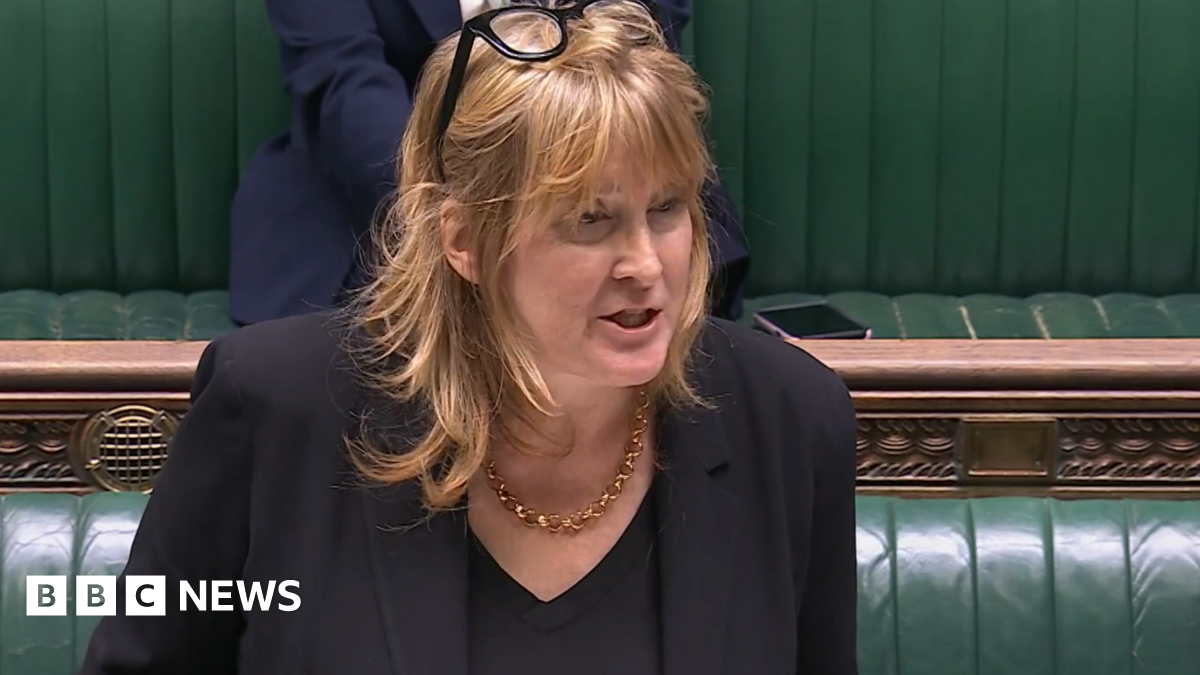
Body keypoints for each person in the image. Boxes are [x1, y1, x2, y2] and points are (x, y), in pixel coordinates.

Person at [79, 3, 857, 674]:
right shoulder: (273, 407)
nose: (648, 266)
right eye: (591, 220)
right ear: (464, 240)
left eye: (666, 210)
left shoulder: (791, 417)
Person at [228, 0, 750, 327]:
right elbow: (342, 79)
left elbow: (637, 59)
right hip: (377, 210)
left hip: (609, 191)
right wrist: (468, 225)